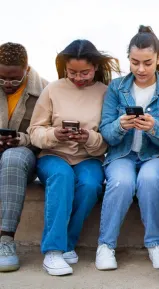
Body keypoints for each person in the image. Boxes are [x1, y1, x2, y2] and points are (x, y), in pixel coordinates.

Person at [28, 40, 120, 276]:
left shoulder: (105, 92)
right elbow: (35, 131)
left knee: (90, 184)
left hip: (88, 157)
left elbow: (107, 139)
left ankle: (67, 242)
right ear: (64, 69)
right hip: (53, 155)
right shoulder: (53, 89)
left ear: (96, 68)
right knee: (62, 176)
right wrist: (54, 134)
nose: (79, 77)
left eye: (85, 72)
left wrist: (88, 137)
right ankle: (53, 251)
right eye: (73, 72)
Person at [96, 25, 159, 271]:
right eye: (134, 62)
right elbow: (106, 133)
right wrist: (120, 125)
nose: (141, 69)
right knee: (122, 182)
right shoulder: (116, 88)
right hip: (122, 154)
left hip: (156, 155)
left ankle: (155, 244)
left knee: (150, 181)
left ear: (158, 59)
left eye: (147, 63)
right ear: (128, 59)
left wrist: (154, 128)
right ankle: (105, 246)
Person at [0, 42, 48, 272]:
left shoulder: (46, 91)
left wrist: (22, 139)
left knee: (13, 158)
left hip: (24, 160)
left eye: (14, 79)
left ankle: (6, 240)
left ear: (26, 70)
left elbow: (46, 134)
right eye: (1, 78)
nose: (7, 84)